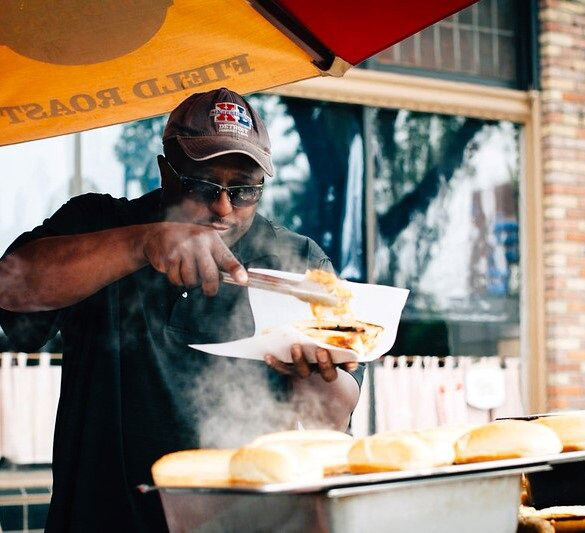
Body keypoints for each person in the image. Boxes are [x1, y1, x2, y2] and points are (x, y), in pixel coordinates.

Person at [0, 88, 364, 533]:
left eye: (245, 189)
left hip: (244, 523)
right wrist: (143, 241)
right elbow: (10, 288)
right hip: (100, 518)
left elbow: (332, 421)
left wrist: (320, 378)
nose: (224, 207)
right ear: (165, 172)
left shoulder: (298, 261)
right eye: (203, 184)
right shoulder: (98, 223)